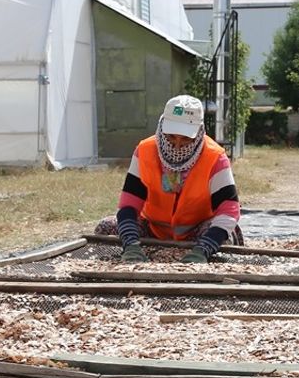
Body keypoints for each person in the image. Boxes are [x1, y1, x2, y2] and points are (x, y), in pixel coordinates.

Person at [95, 94, 241, 263]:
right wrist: (131, 244)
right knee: (106, 228)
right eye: (171, 136)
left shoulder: (214, 157)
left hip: (198, 232)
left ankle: (201, 259)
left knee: (228, 235)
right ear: (162, 127)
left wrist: (204, 248)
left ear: (200, 132)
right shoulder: (145, 151)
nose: (177, 145)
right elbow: (129, 205)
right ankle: (133, 256)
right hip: (153, 230)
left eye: (186, 139)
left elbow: (228, 210)